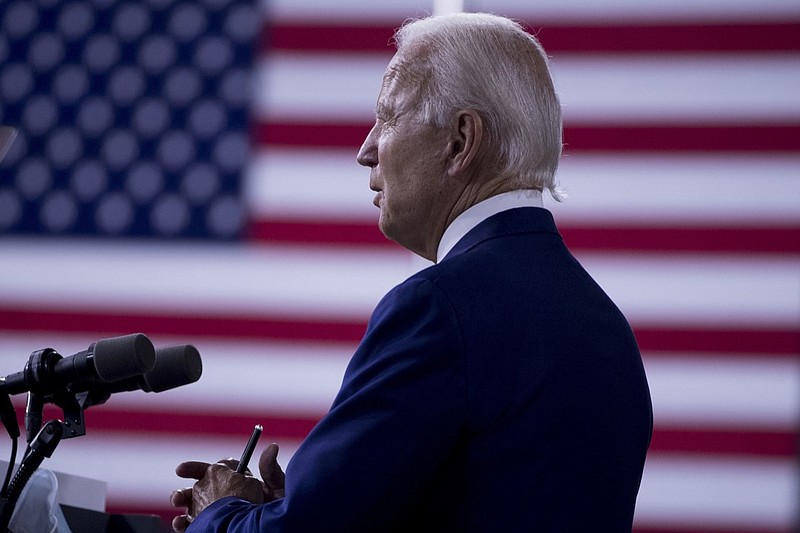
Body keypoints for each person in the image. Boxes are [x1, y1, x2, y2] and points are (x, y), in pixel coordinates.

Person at [171, 12, 652, 532]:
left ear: (461, 141)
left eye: (388, 117)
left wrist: (220, 513)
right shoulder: (607, 326)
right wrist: (338, 498)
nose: (366, 149)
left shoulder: (438, 309)